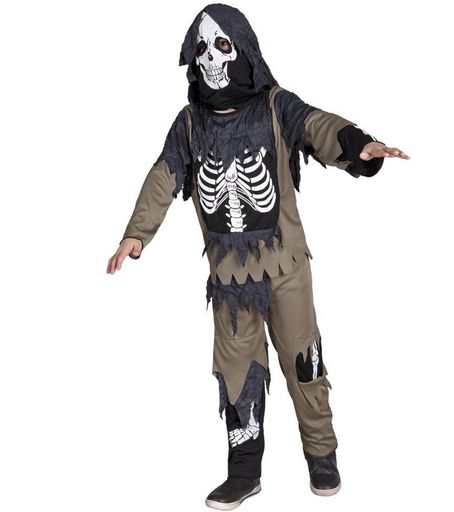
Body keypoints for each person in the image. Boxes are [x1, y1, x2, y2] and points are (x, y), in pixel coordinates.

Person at [106, 3, 410, 510]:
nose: (210, 59)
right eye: (200, 49)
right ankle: (244, 472)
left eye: (222, 46)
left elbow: (316, 126)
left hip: (286, 268)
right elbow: (164, 175)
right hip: (229, 281)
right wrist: (136, 234)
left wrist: (358, 145)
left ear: (244, 51)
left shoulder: (275, 105)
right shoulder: (189, 124)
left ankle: (322, 455)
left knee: (304, 361)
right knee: (236, 374)